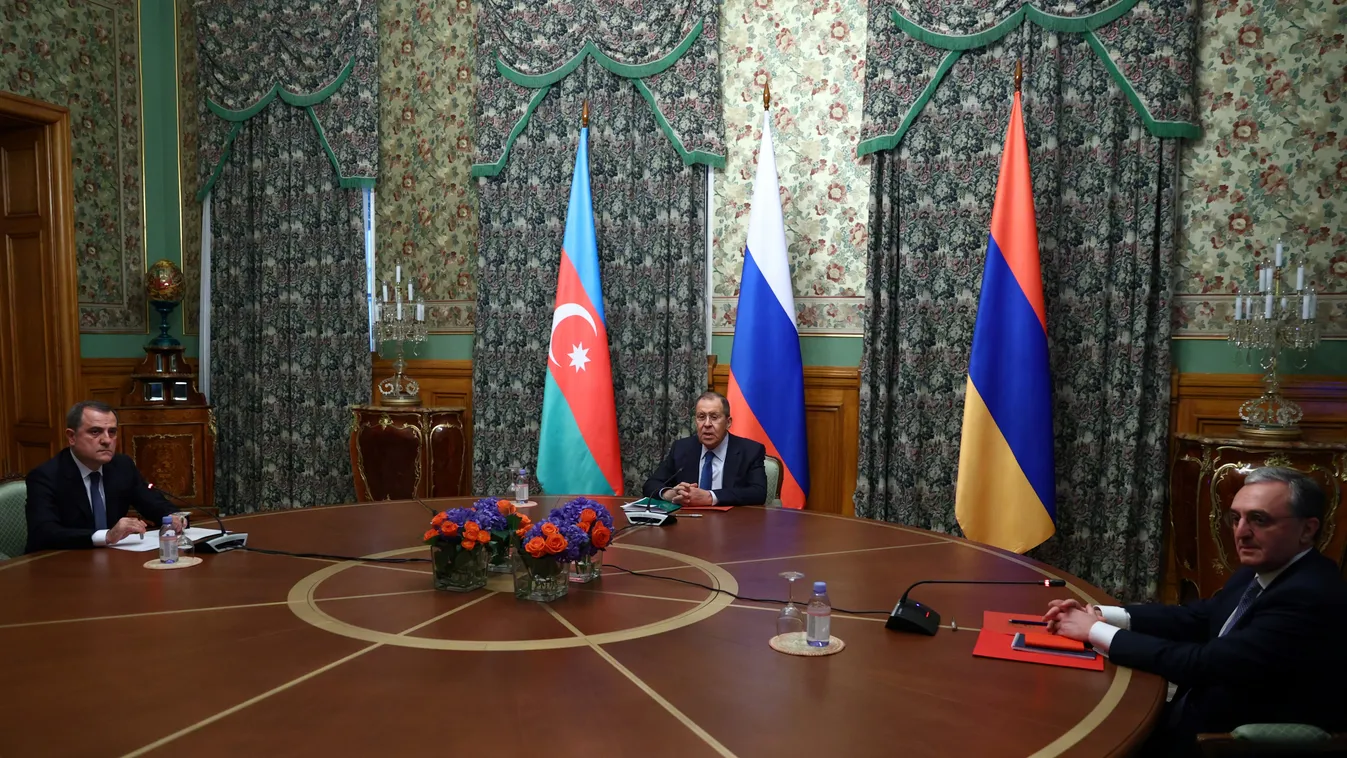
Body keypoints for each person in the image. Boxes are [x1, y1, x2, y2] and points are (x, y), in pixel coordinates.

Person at [1043, 467, 1347, 754]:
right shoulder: (1265, 567)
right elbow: (1201, 617)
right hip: (1193, 714)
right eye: (1235, 518)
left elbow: (1203, 664)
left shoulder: (1309, 595)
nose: (1241, 533)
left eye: (1259, 520)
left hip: (1225, 744)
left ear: (1307, 530)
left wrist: (1093, 630)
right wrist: (1102, 613)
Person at [25, 401, 182, 552]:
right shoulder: (45, 476)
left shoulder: (121, 466)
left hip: (113, 561)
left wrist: (173, 517)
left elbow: (151, 502)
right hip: (58, 566)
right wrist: (107, 536)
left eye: (112, 432)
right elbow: (44, 533)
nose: (107, 440)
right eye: (95, 432)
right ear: (71, 437)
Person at [641, 391, 768, 506]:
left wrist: (710, 497)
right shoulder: (681, 448)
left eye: (714, 417)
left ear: (728, 422)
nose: (707, 424)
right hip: (688, 523)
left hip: (731, 524)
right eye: (701, 417)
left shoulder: (750, 451)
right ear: (695, 421)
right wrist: (670, 494)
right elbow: (650, 485)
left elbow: (758, 493)